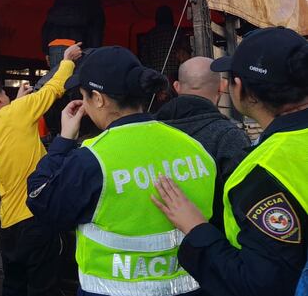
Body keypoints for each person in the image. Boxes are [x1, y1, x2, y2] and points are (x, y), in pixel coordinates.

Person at [25, 46, 217, 296]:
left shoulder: (92, 159)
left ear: (99, 98)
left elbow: (40, 197)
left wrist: (63, 140)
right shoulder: (194, 148)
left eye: (84, 96)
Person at [152, 27, 308, 296]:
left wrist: (195, 228)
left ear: (240, 88)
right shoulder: (249, 148)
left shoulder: (263, 172)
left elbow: (258, 285)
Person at [0, 43, 80, 296]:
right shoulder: (17, 113)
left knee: (14, 285)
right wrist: (68, 60)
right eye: (5, 96)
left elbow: (6, 121)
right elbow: (54, 88)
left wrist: (18, 102)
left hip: (9, 224)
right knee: (44, 287)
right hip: (35, 217)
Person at [155, 56, 251, 227]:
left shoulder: (149, 131)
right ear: (222, 86)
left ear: (176, 87)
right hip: (213, 243)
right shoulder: (229, 137)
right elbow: (244, 207)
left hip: (155, 247)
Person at [41, 0, 104, 68]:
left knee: (57, 78)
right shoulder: (92, 9)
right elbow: (96, 34)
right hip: (78, 48)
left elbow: (45, 31)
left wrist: (46, 51)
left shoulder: (55, 10)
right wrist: (94, 53)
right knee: (75, 79)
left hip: (54, 48)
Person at [139, 5, 190, 82]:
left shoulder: (149, 35)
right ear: (171, 18)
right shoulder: (178, 32)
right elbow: (185, 56)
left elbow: (144, 59)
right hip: (175, 77)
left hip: (155, 77)